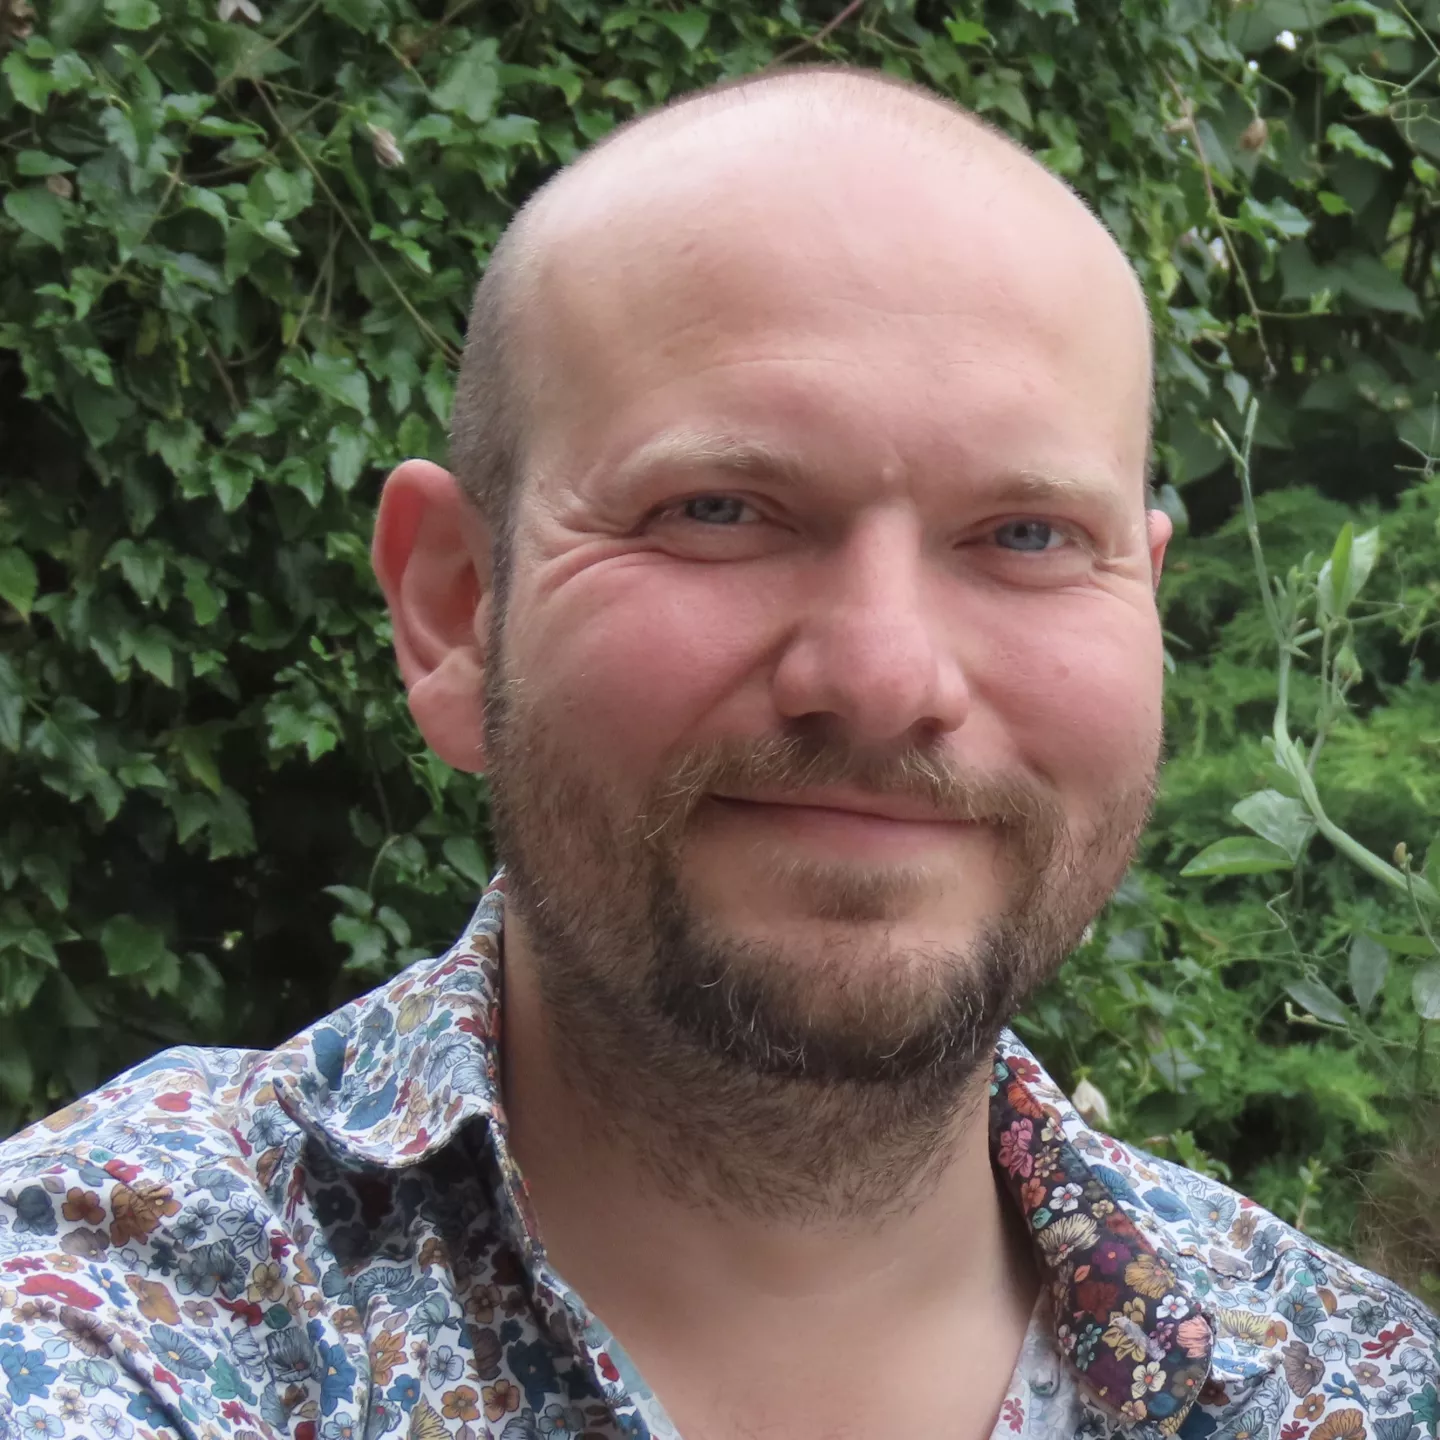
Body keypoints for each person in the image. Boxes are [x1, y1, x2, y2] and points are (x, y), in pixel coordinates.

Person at [0, 64, 1434, 1440]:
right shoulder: (106, 1317)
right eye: (718, 511)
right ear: (453, 610)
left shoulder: (1353, 1390)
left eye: (1028, 537)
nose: (882, 680)